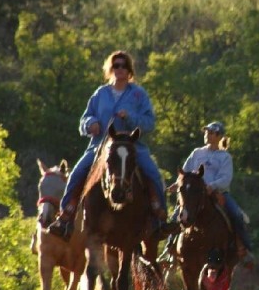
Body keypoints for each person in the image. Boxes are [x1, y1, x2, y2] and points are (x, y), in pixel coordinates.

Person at [47, 50, 173, 241]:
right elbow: (84, 119)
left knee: (153, 173)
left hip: (132, 145)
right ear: (110, 69)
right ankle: (66, 218)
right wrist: (91, 124)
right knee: (77, 173)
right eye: (116, 65)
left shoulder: (139, 94)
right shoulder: (101, 93)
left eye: (123, 65)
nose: (120, 69)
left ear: (129, 69)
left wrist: (130, 118)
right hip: (101, 146)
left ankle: (160, 218)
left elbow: (149, 122)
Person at [160, 121, 255, 268]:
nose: (207, 135)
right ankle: (169, 250)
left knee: (236, 215)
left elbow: (225, 178)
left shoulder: (225, 157)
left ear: (219, 136)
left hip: (217, 193)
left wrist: (212, 186)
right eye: (206, 132)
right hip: (195, 194)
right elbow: (185, 172)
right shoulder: (197, 153)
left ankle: (245, 251)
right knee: (177, 215)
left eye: (210, 133)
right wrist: (177, 183)